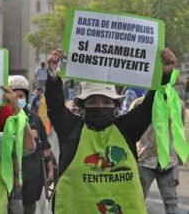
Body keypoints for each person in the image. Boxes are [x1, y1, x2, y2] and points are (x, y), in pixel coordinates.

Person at [45, 47, 177, 213]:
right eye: (92, 102)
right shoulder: (71, 129)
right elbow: (55, 105)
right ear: (82, 108)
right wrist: (52, 73)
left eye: (106, 102)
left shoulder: (127, 128)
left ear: (115, 106)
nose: (100, 107)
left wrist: (164, 76)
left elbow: (150, 105)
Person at [8, 75, 54, 214]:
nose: (17, 99)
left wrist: (50, 170)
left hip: (33, 173)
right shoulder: (5, 118)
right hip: (11, 174)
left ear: (26, 97)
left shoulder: (35, 118)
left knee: (30, 206)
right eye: (14, 95)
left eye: (20, 95)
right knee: (14, 208)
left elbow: (45, 147)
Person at [131, 97, 184, 214]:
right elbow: (130, 128)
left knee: (171, 202)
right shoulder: (139, 104)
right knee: (137, 200)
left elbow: (179, 128)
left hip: (169, 162)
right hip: (144, 161)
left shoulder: (178, 104)